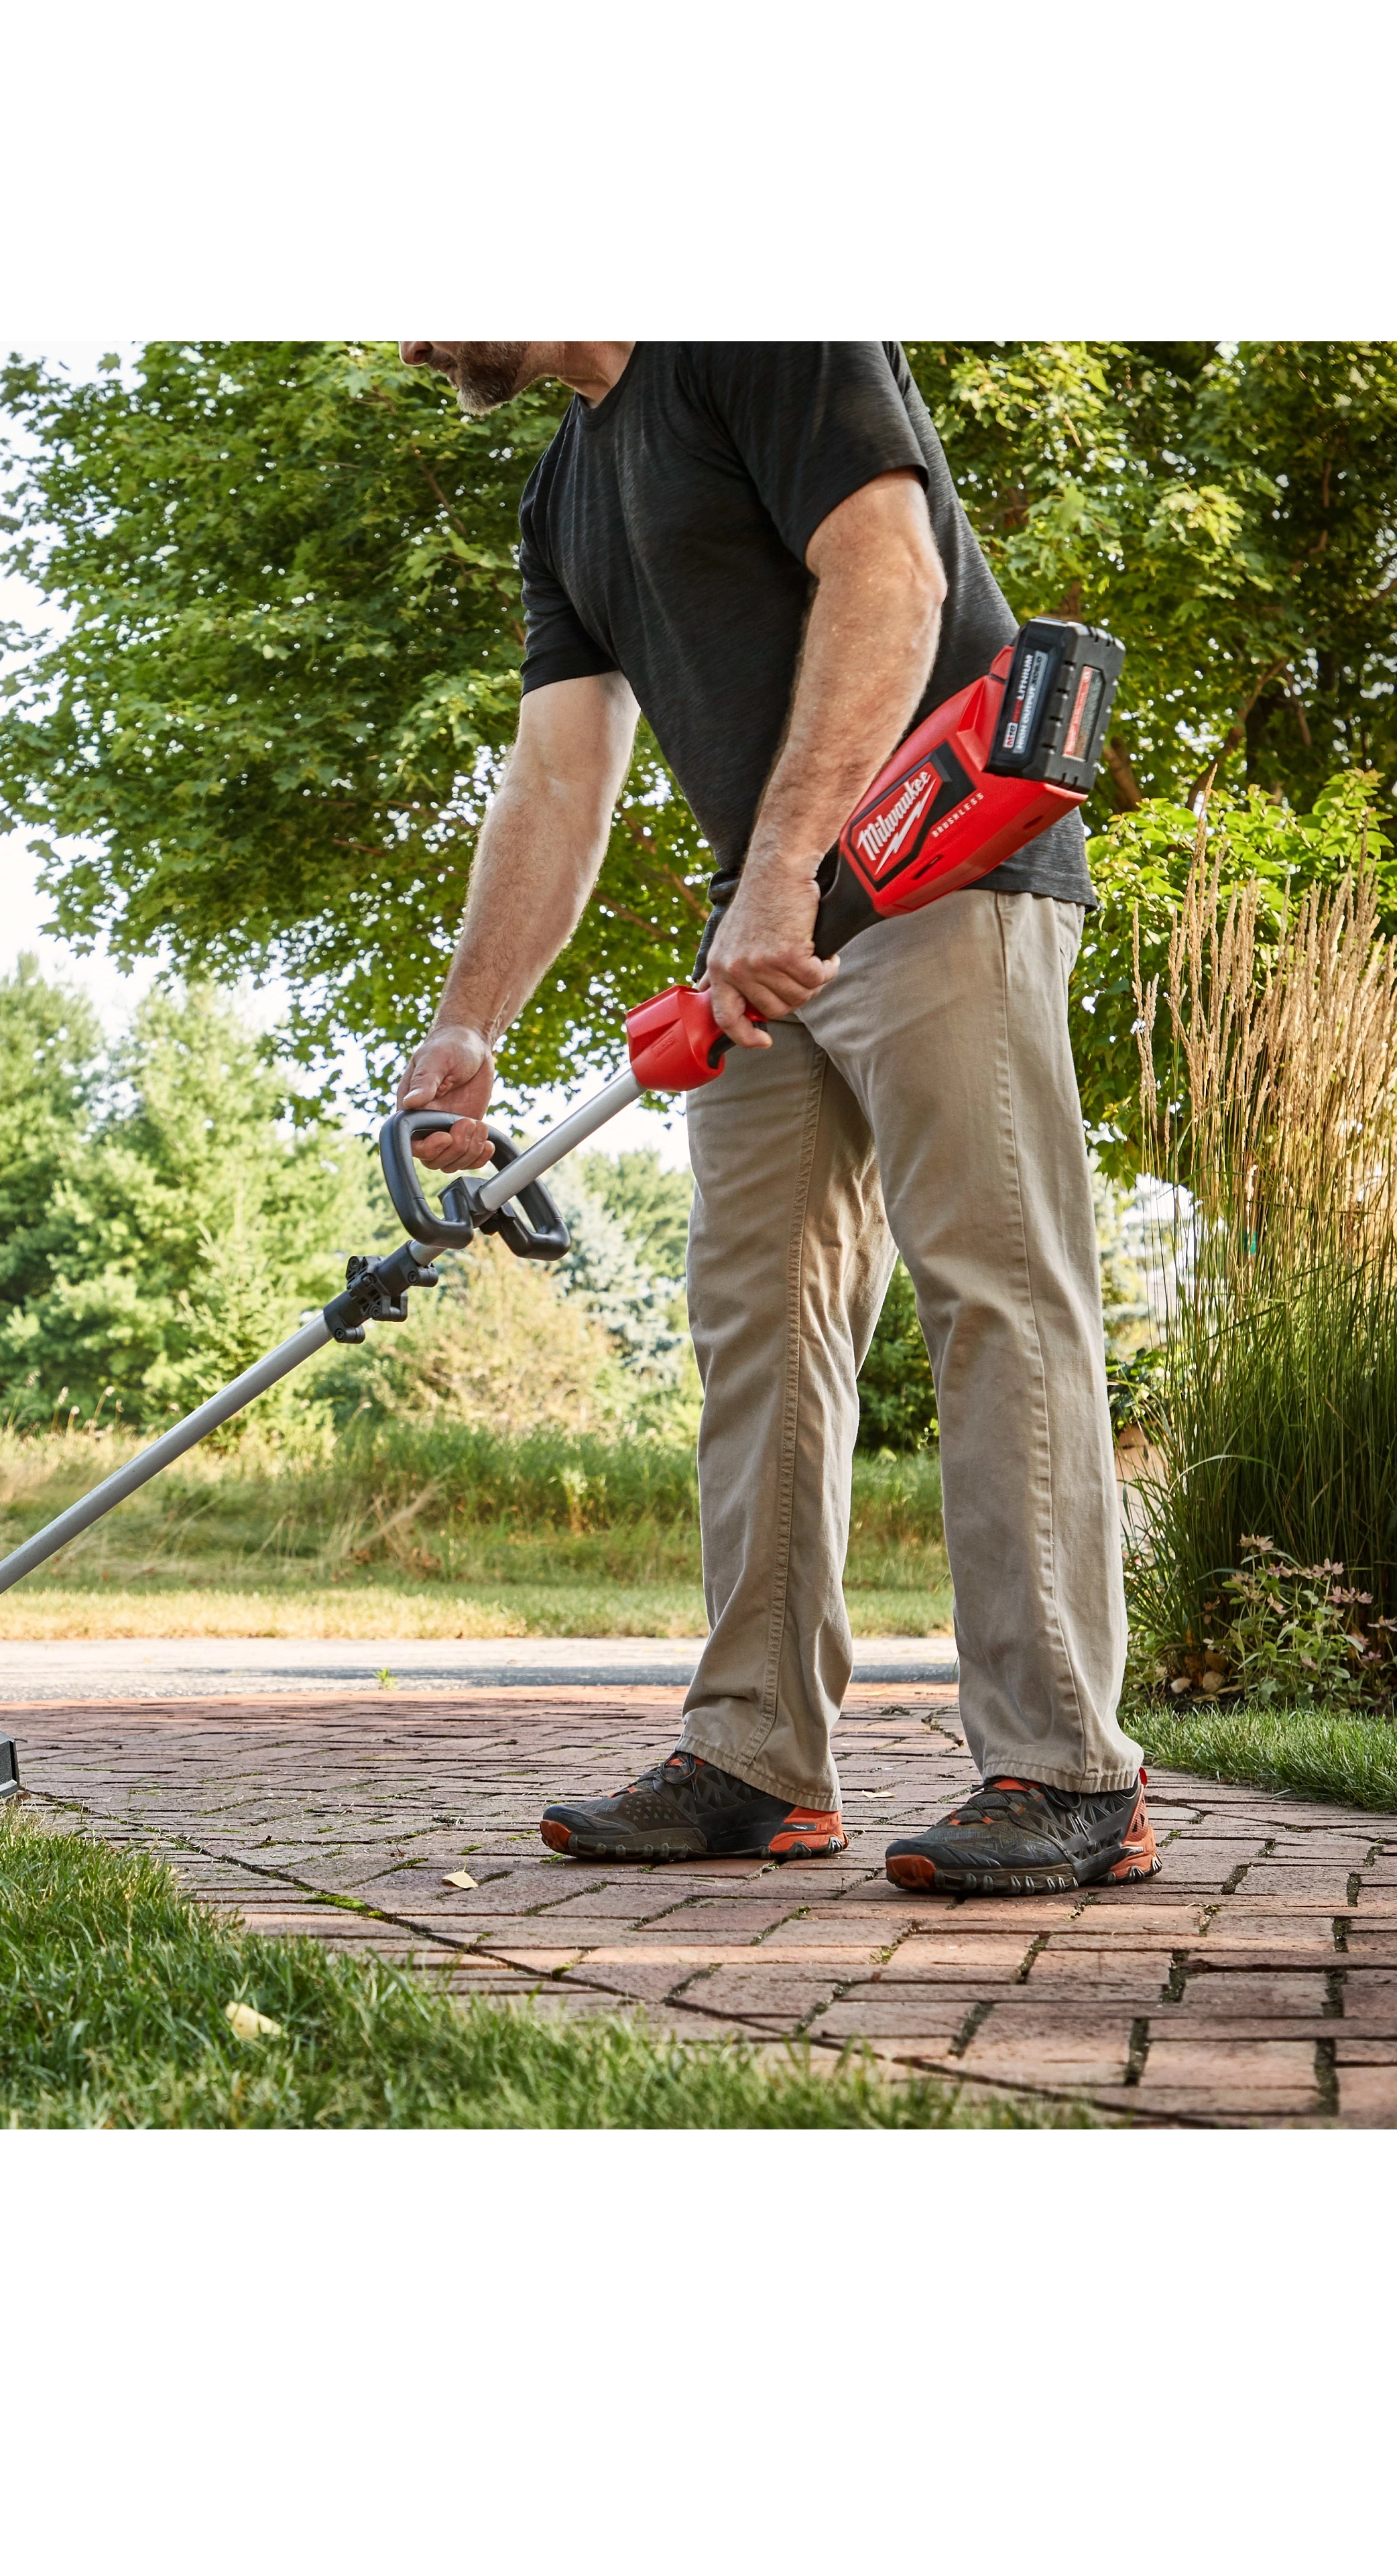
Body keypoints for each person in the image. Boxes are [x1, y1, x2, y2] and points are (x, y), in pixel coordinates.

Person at [392, 339, 1154, 1897]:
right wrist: (471, 1020)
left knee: (992, 1295)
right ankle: (752, 1753)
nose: (397, 346)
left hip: (938, 868)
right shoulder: (562, 493)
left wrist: (776, 867)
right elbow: (557, 775)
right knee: (756, 1320)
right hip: (772, 930)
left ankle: (1067, 1765)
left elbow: (890, 569)